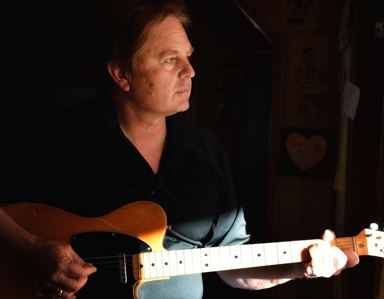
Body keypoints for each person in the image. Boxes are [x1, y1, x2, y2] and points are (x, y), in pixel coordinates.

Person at [0, 0, 359, 298]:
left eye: (188, 57)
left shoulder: (206, 152)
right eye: (170, 59)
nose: (190, 71)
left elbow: (232, 265)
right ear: (121, 74)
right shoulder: (58, 138)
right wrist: (28, 249)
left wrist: (300, 265)